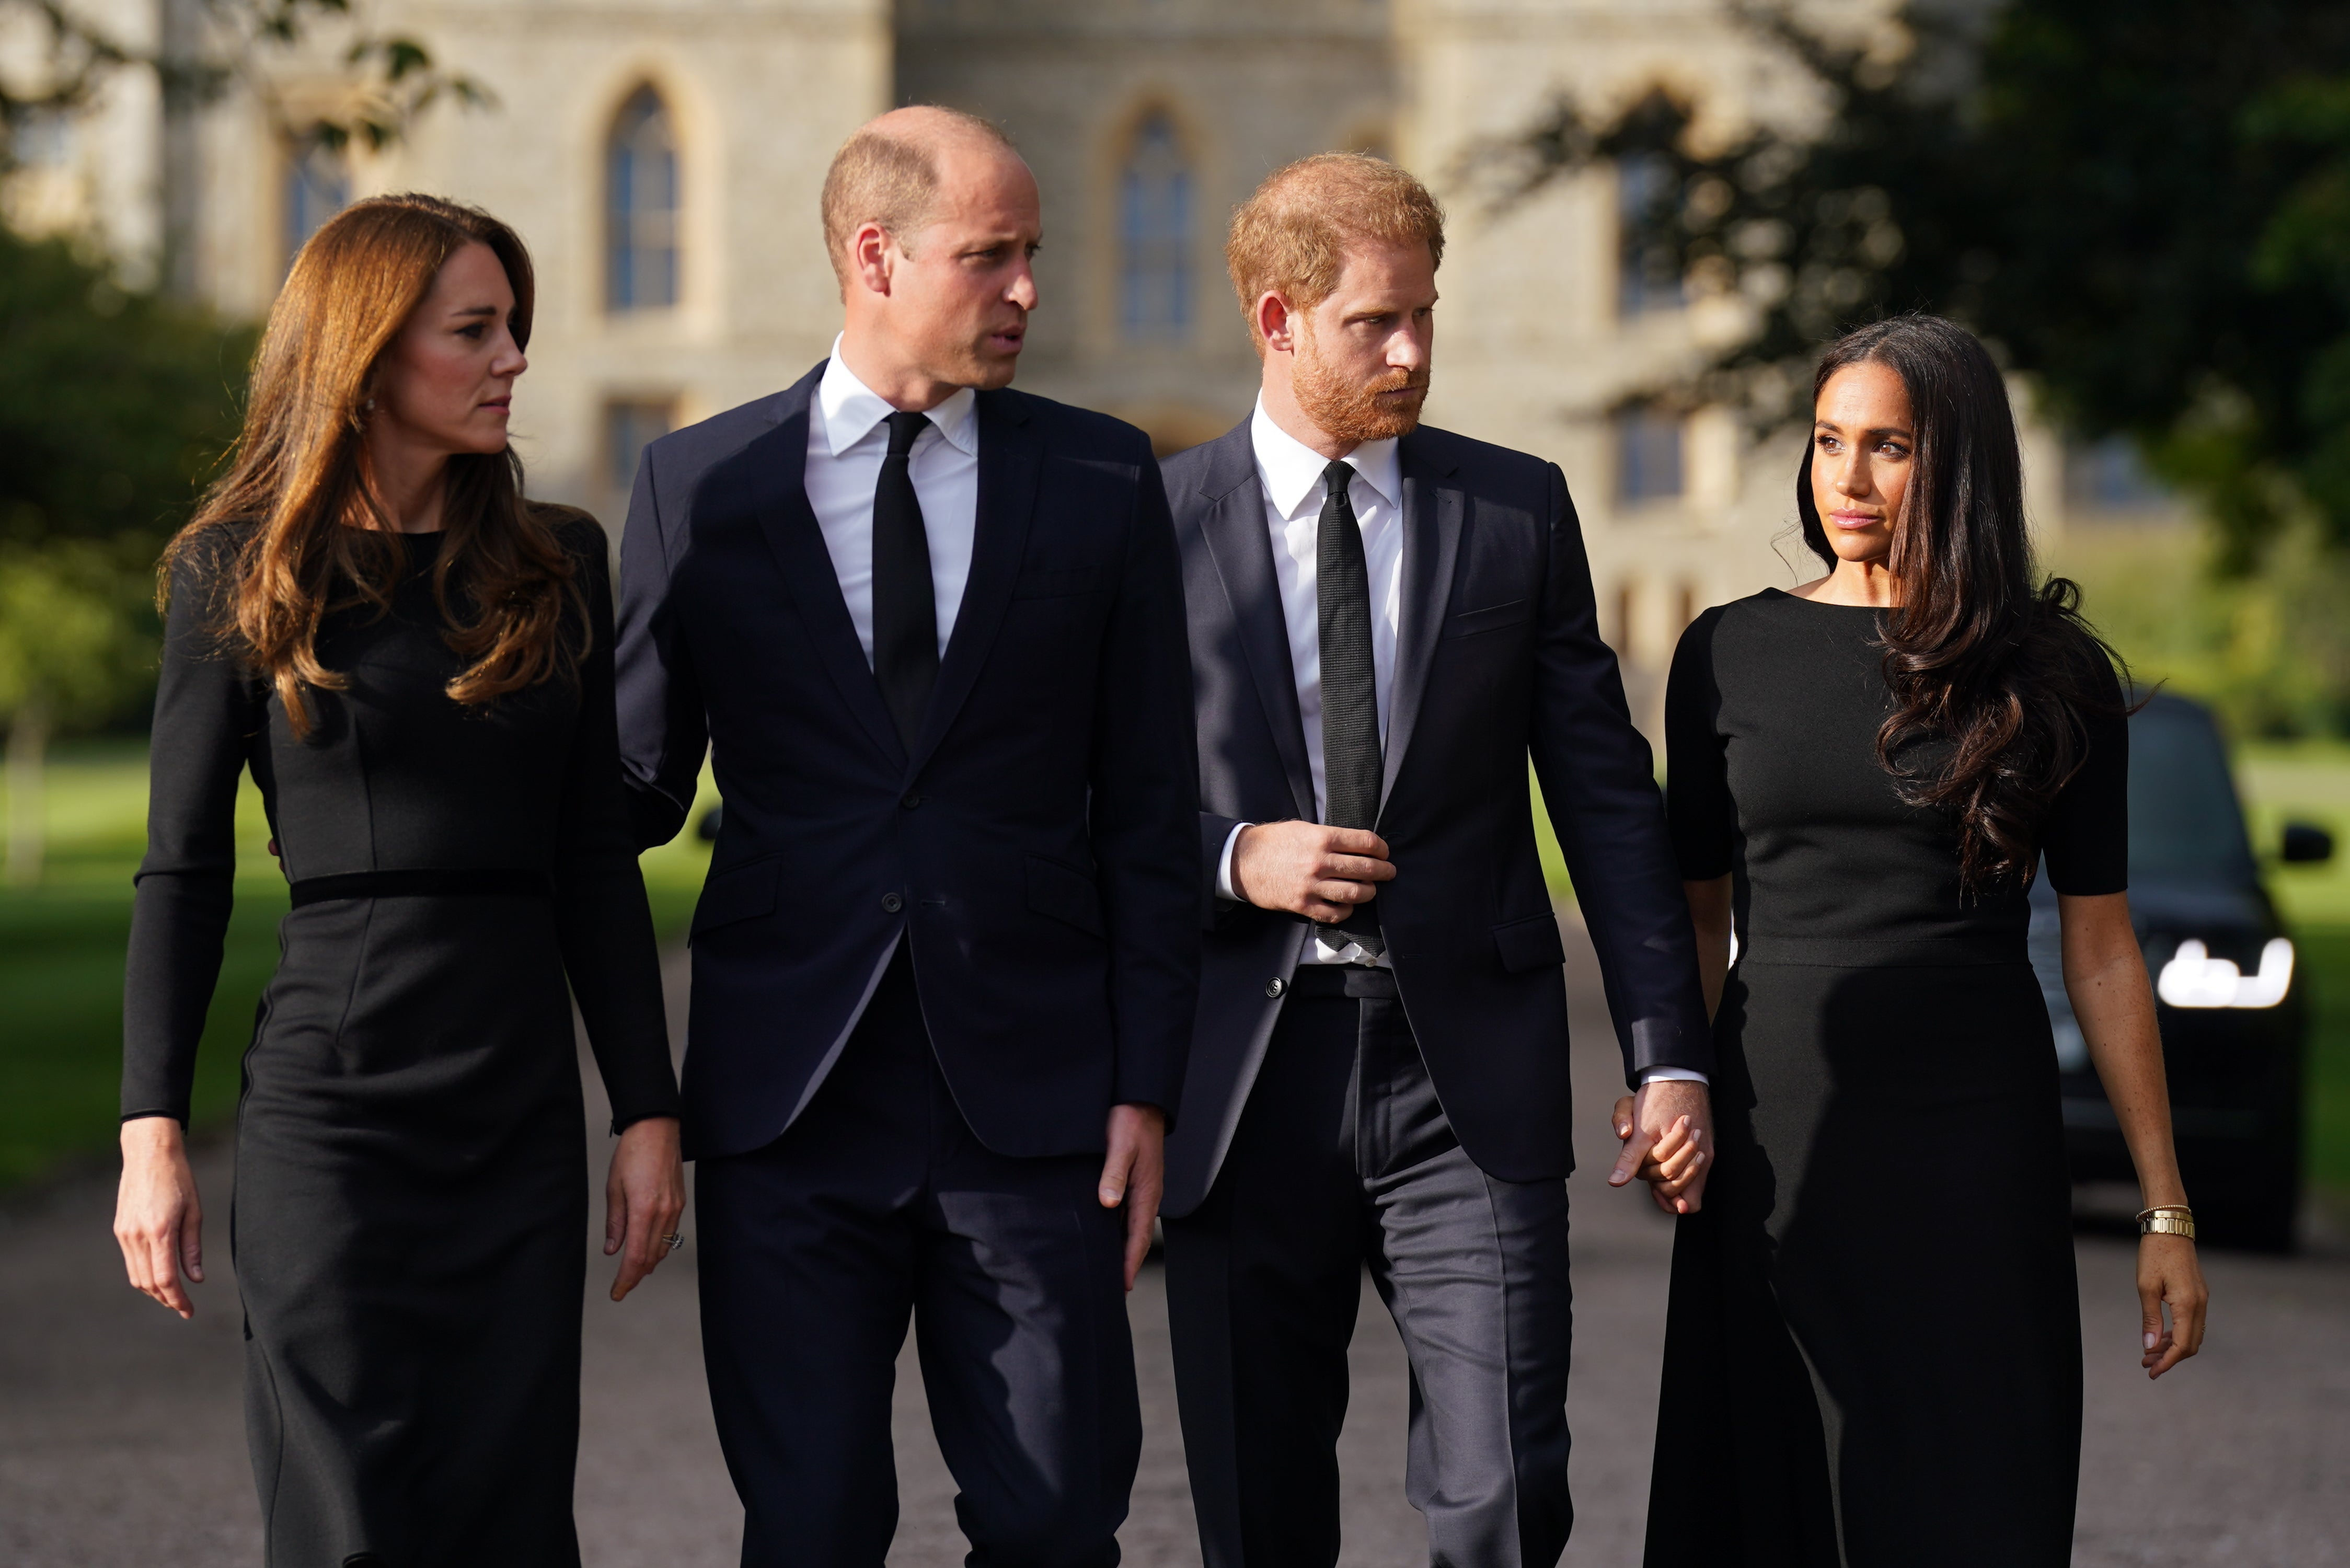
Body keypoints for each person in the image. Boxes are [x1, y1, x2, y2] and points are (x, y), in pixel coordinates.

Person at [612, 107, 1197, 1565]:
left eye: (1032, 255)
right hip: (785, 1105)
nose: (1028, 291)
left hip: (1037, 1109)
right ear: (875, 256)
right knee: (809, 1527)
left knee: (1058, 1519)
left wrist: (1148, 1088)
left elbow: (1147, 810)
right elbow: (621, 797)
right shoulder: (702, 488)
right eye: (990, 256)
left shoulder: (1103, 476)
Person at [1156, 153, 1715, 1568]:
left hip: (1463, 1082)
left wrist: (1667, 1049)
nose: (1412, 354)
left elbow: (1605, 800)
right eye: (1373, 325)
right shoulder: (1149, 531)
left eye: (1426, 317)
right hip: (1242, 1079)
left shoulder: (1514, 515)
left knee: (1509, 1498)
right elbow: (1074, 805)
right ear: (1278, 321)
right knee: (1257, 1508)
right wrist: (1231, 858)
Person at [111, 194, 686, 1566]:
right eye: (475, 331)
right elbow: (182, 872)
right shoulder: (235, 574)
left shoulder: (561, 565)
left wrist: (648, 1110)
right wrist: (150, 1132)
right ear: (369, 353)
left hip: (517, 1105)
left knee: (507, 1509)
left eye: (516, 330)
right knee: (346, 1516)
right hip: (333, 1110)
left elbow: (594, 858)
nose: (512, 361)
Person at [1643, 314, 2208, 1566]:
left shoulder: (2050, 673)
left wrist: (2164, 1212)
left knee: (1967, 1493)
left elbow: (2104, 950)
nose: (1845, 479)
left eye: (1887, 446)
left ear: (1956, 462)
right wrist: (1666, 1081)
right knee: (1772, 1483)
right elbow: (1690, 915)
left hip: (1975, 1138)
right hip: (1776, 1127)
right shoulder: (1724, 652)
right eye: (1828, 440)